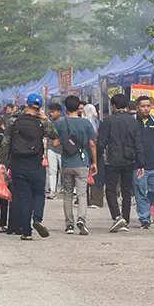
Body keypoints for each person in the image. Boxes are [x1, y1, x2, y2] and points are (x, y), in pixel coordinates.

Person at [0, 94, 60, 241]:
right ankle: (37, 219)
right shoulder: (41, 122)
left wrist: (2, 161)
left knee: (24, 198)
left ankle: (26, 232)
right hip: (36, 163)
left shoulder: (13, 120)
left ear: (27, 103)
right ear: (39, 106)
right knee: (39, 193)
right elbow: (55, 136)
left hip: (18, 164)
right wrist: (46, 119)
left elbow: (6, 142)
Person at [97, 94, 143, 233]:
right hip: (129, 160)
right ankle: (126, 220)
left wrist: (96, 158)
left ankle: (117, 216)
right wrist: (141, 163)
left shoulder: (108, 121)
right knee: (126, 191)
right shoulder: (133, 121)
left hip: (112, 160)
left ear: (113, 106)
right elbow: (138, 144)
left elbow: (102, 142)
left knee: (110, 190)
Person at [55, 95, 97, 235]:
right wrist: (94, 162)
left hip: (66, 163)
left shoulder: (60, 123)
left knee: (67, 194)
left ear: (65, 107)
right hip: (82, 162)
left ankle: (69, 225)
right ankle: (81, 219)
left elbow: (55, 143)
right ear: (79, 107)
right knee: (82, 194)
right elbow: (92, 144)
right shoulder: (86, 124)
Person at [135, 96, 154, 229]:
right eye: (143, 106)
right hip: (139, 165)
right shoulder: (133, 121)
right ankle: (144, 218)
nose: (146, 108)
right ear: (137, 108)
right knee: (140, 191)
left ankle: (145, 207)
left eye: (148, 106)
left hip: (153, 162)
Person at [83, 103, 104, 208]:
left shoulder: (82, 123)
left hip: (84, 152)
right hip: (99, 153)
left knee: (84, 176)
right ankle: (97, 201)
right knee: (98, 176)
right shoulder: (99, 123)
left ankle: (83, 199)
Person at [45, 103, 63, 200]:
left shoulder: (64, 122)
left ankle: (69, 190)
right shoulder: (50, 122)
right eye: (50, 112)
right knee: (52, 171)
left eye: (53, 112)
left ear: (59, 112)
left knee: (64, 172)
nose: (51, 114)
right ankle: (52, 191)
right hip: (51, 149)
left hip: (63, 150)